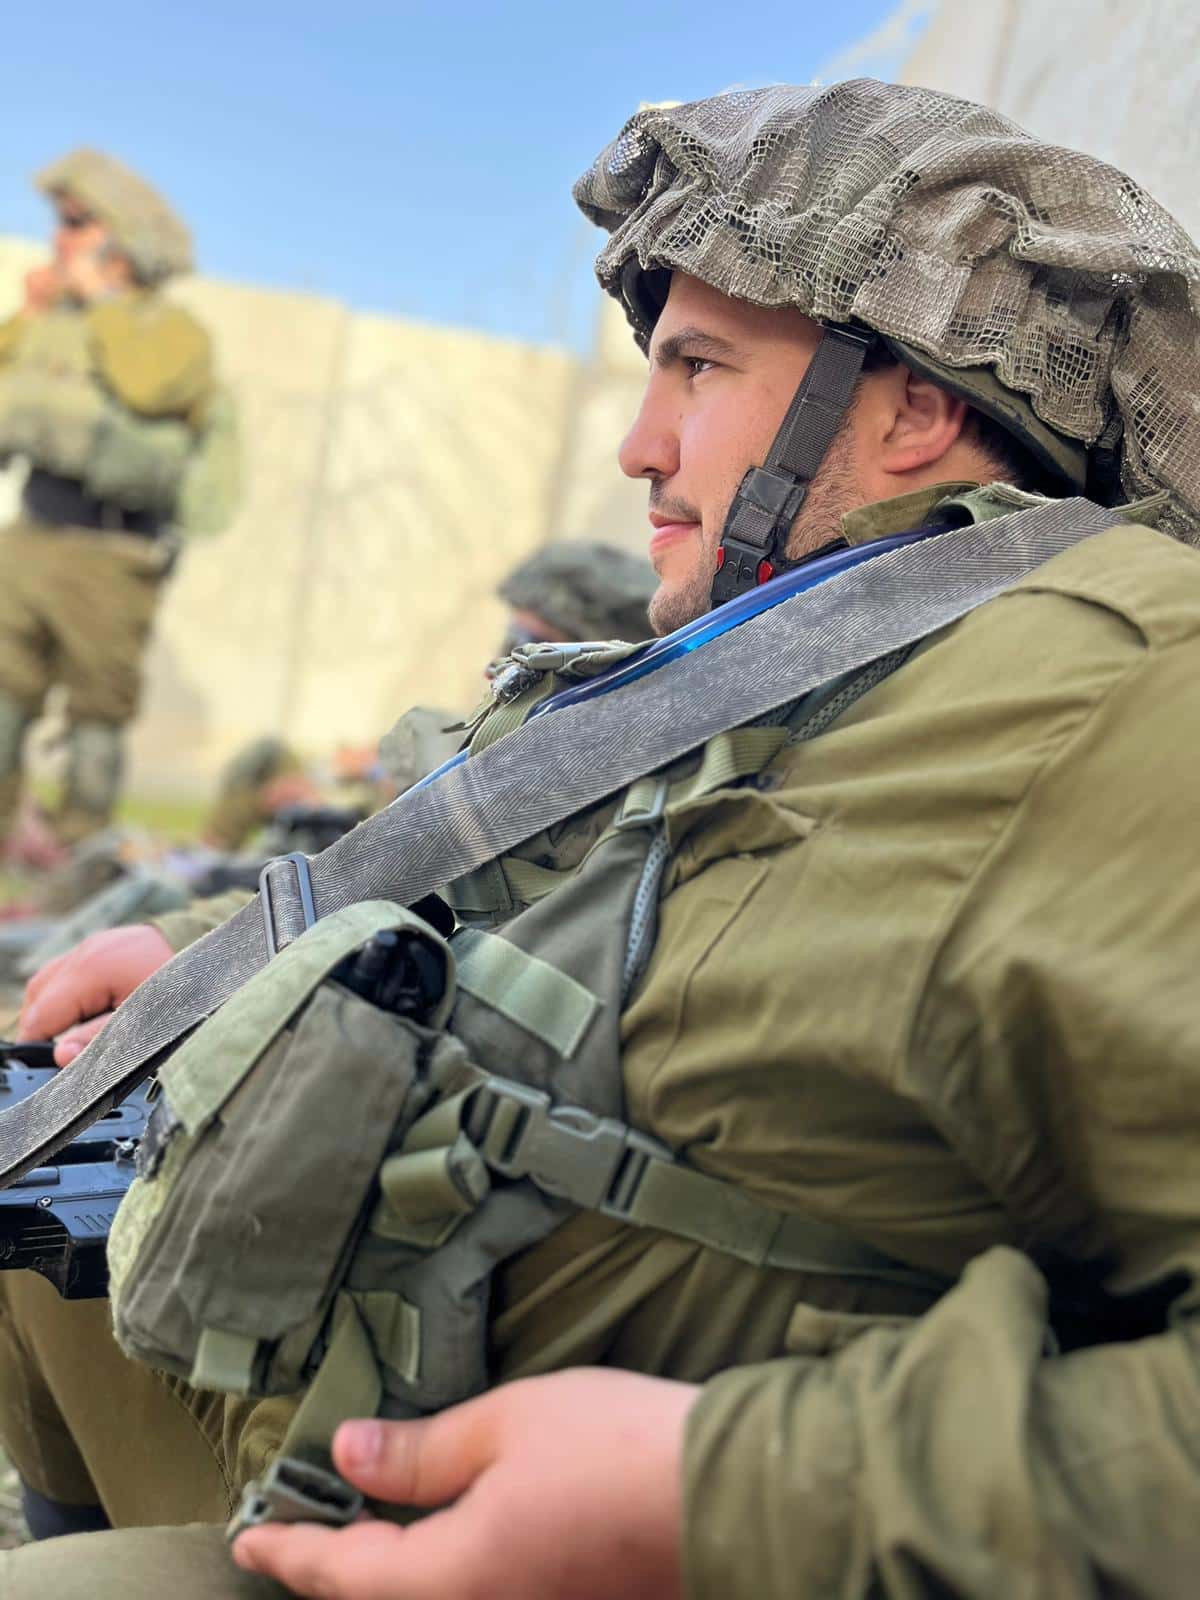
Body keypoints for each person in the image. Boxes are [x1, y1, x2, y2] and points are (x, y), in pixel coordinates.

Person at [5, 77, 1200, 1598]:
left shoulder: (1122, 690)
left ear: (916, 405)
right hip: (322, 1397)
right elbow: (524, 888)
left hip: (580, 1545)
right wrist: (202, 955)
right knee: (34, 1214)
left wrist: (718, 1494)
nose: (641, 444)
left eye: (699, 366)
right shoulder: (791, 641)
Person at [0, 148, 218, 849]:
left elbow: (149, 387)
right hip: (32, 533)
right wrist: (31, 315)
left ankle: (79, 854)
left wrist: (104, 301)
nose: (59, 238)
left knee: (97, 711)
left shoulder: (173, 332)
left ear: (121, 240)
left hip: (112, 552)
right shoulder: (52, 320)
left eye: (77, 224)